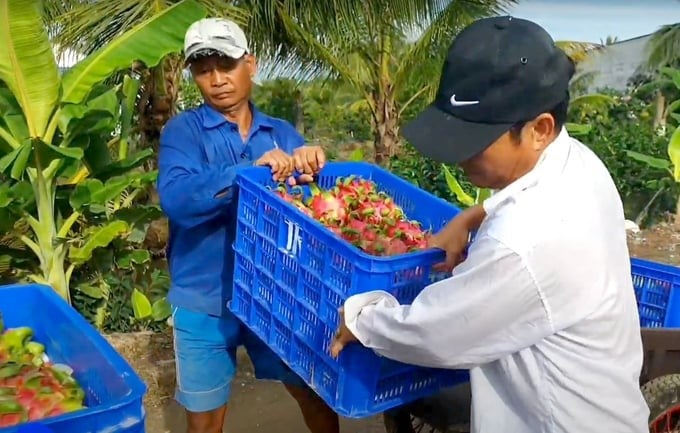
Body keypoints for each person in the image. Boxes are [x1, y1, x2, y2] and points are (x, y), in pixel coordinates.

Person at [331, 16, 650, 433]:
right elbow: (530, 205)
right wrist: (473, 214)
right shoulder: (578, 161)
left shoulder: (523, 242)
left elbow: (437, 334)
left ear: (539, 129)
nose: (461, 158)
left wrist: (361, 319)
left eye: (476, 143)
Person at [157, 17, 340, 433]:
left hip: (275, 295)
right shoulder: (183, 132)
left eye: (227, 65)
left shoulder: (281, 133)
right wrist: (247, 173)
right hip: (204, 296)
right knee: (205, 422)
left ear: (251, 65)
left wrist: (313, 165)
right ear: (193, 75)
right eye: (204, 70)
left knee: (312, 393)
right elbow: (178, 200)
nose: (217, 79)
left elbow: (314, 210)